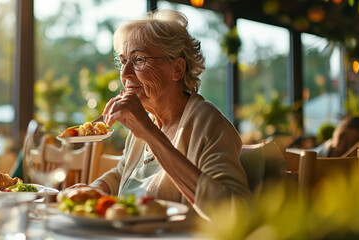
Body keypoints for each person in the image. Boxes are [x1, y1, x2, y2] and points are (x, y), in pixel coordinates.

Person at [69, 9, 251, 220]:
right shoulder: (149, 121)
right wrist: (94, 190)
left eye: (138, 60)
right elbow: (124, 174)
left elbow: (236, 212)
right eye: (122, 60)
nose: (125, 73)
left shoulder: (207, 122)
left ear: (177, 68)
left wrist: (149, 134)